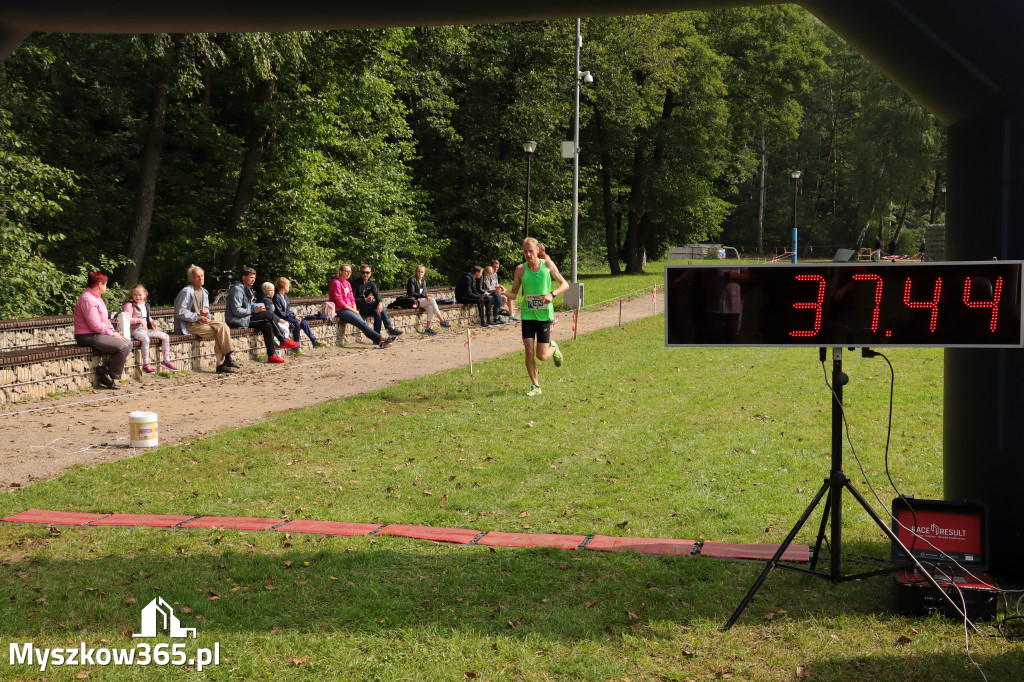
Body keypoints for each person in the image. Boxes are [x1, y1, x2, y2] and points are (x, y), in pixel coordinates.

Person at [498, 237, 568, 396]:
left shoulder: (547, 265)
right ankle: (535, 386)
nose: (528, 254)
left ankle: (554, 348)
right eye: (525, 251)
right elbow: (514, 294)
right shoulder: (520, 270)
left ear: (538, 250)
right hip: (528, 315)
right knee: (529, 351)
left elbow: (565, 284)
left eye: (531, 251)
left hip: (544, 315)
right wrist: (504, 292)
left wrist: (552, 294)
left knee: (541, 356)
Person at [225, 266, 300, 364]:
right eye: (251, 277)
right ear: (244, 277)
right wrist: (253, 310)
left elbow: (247, 306)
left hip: (245, 318)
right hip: (237, 320)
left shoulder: (246, 288)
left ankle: (271, 356)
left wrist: (255, 307)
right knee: (268, 314)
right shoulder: (237, 289)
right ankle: (282, 340)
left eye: (254, 278)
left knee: (267, 325)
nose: (253, 280)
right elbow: (236, 311)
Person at [174, 265, 237, 373]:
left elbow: (206, 311)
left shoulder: (204, 292)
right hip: (191, 325)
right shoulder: (186, 292)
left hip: (203, 321)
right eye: (197, 276)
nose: (201, 278)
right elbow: (180, 311)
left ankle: (226, 360)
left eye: (202, 276)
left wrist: (205, 314)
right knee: (220, 332)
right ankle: (224, 362)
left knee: (223, 326)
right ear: (191, 279)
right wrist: (198, 316)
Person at [74, 272, 132, 389]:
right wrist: (112, 333)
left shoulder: (96, 297)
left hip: (96, 333)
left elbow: (103, 320)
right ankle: (109, 376)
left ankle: (105, 370)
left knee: (128, 343)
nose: (106, 287)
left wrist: (113, 331)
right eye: (105, 284)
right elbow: (95, 325)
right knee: (123, 347)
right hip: (87, 335)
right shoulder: (88, 299)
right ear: (100, 284)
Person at [328, 265, 396, 348]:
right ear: (340, 271)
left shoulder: (347, 283)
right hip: (341, 309)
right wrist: (353, 310)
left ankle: (379, 341)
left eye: (350, 271)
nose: (349, 273)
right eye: (346, 271)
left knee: (363, 324)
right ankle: (383, 339)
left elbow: (352, 298)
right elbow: (339, 301)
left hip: (351, 309)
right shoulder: (335, 283)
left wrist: (354, 308)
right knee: (362, 324)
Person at [123, 284, 178, 373]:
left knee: (165, 336)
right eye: (135, 295)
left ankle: (166, 361)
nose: (137, 297)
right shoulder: (129, 305)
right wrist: (139, 320)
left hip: (145, 330)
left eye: (140, 295)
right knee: (145, 339)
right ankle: (146, 364)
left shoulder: (144, 304)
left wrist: (151, 321)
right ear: (132, 295)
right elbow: (127, 319)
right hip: (135, 330)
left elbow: (147, 317)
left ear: (145, 294)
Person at [351, 264, 404, 338]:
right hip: (357, 307)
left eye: (367, 272)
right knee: (379, 306)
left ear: (370, 273)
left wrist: (379, 302)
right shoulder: (355, 283)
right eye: (363, 272)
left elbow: (377, 295)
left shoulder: (371, 283)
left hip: (366, 306)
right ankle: (389, 328)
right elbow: (351, 299)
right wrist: (364, 299)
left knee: (377, 312)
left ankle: (377, 337)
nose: (365, 274)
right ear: (360, 273)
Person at [273, 277, 325, 349]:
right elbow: (280, 313)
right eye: (288, 286)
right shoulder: (276, 297)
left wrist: (294, 316)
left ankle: (314, 341)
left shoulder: (285, 296)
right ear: (285, 287)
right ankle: (296, 346)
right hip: (281, 318)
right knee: (296, 323)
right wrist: (294, 317)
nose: (289, 288)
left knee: (303, 321)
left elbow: (288, 310)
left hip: (287, 316)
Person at [406, 264, 451, 335]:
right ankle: (442, 321)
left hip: (422, 301)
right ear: (416, 272)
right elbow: (411, 293)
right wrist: (426, 295)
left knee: (430, 307)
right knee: (432, 301)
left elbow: (425, 292)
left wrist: (428, 297)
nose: (420, 273)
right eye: (418, 271)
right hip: (414, 301)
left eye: (422, 272)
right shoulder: (412, 280)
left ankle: (427, 328)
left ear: (424, 273)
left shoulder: (423, 281)